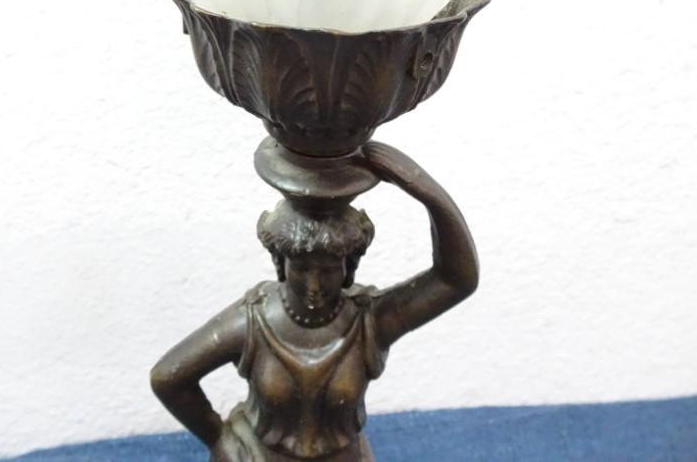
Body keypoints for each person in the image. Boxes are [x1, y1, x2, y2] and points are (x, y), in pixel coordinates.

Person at [150, 141, 479, 461]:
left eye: (329, 270)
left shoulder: (370, 322)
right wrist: (220, 438)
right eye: (301, 269)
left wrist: (425, 190)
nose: (314, 285)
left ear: (350, 267)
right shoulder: (253, 323)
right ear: (280, 264)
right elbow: (168, 378)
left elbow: (456, 280)